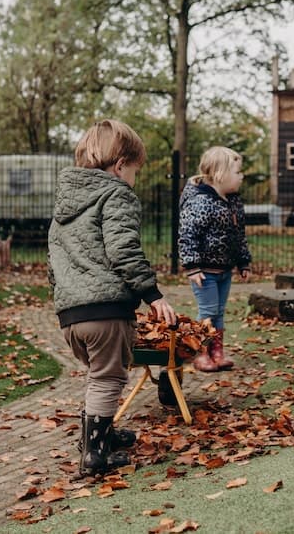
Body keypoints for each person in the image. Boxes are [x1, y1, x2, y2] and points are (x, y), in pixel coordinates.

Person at [48, 119, 177, 477]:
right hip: (106, 311)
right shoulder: (116, 193)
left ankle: (101, 436)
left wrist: (63, 301)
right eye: (135, 171)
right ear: (120, 166)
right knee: (107, 379)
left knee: (98, 376)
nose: (134, 179)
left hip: (71, 313)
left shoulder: (65, 206)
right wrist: (152, 295)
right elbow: (123, 250)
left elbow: (52, 263)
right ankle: (95, 455)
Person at [178, 146, 252, 372]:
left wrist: (243, 261)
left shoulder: (233, 202)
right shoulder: (201, 201)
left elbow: (239, 235)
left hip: (225, 270)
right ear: (221, 174)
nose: (241, 176)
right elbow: (188, 233)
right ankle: (201, 353)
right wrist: (192, 266)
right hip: (204, 272)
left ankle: (217, 352)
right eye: (237, 172)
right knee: (208, 311)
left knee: (219, 311)